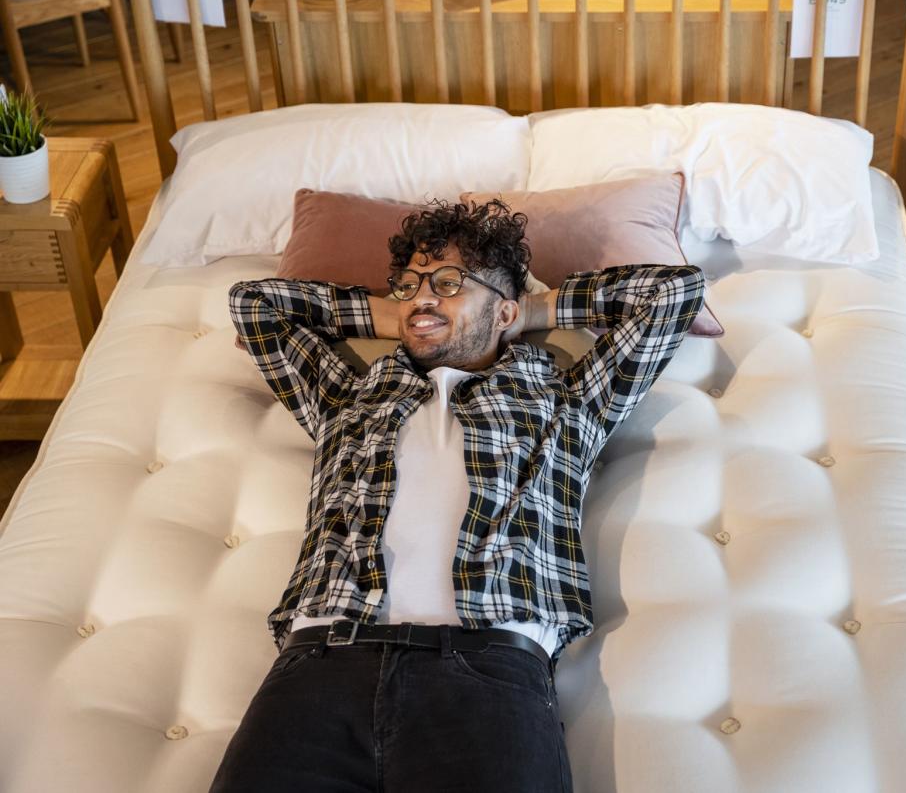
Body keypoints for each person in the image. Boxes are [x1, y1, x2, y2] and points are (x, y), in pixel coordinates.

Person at [211, 197, 705, 792]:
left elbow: (674, 293)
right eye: (409, 284)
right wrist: (396, 314)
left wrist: (532, 311)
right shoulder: (346, 394)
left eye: (449, 283)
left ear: (504, 310)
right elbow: (253, 304)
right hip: (320, 662)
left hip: (488, 670)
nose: (421, 297)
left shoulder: (565, 403)